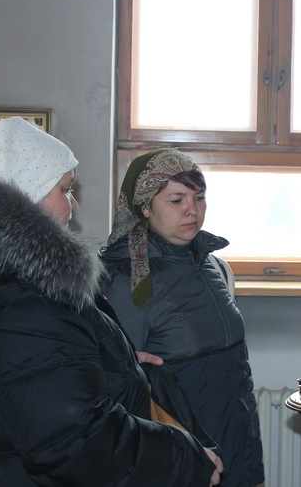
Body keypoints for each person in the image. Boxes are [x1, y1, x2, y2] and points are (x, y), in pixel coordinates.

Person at [0, 117, 222, 486]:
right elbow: (76, 441)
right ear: (25, 195)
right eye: (65, 189)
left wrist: (109, 357)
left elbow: (7, 375)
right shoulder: (23, 299)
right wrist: (185, 458)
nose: (73, 203)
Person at [100, 148, 264, 487]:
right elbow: (122, 385)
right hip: (181, 446)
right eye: (176, 200)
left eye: (199, 197)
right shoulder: (128, 278)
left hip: (236, 435)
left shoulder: (212, 264)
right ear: (145, 207)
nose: (192, 210)